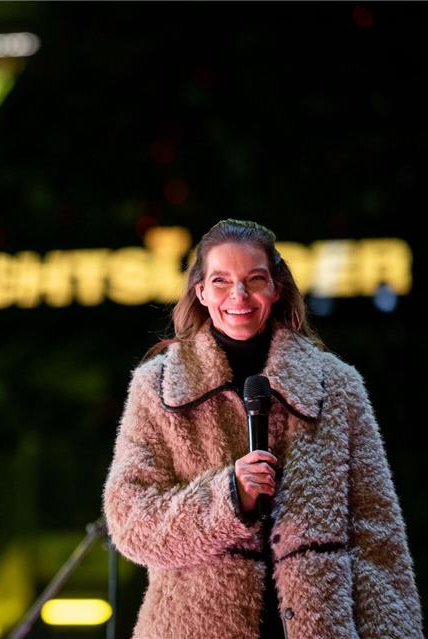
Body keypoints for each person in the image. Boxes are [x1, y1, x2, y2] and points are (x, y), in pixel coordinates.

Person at [101, 219, 423, 638]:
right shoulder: (158, 387)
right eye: (221, 281)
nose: (238, 295)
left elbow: (378, 537)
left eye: (254, 279)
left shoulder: (335, 384)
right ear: (200, 292)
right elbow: (130, 521)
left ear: (275, 288)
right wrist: (228, 496)